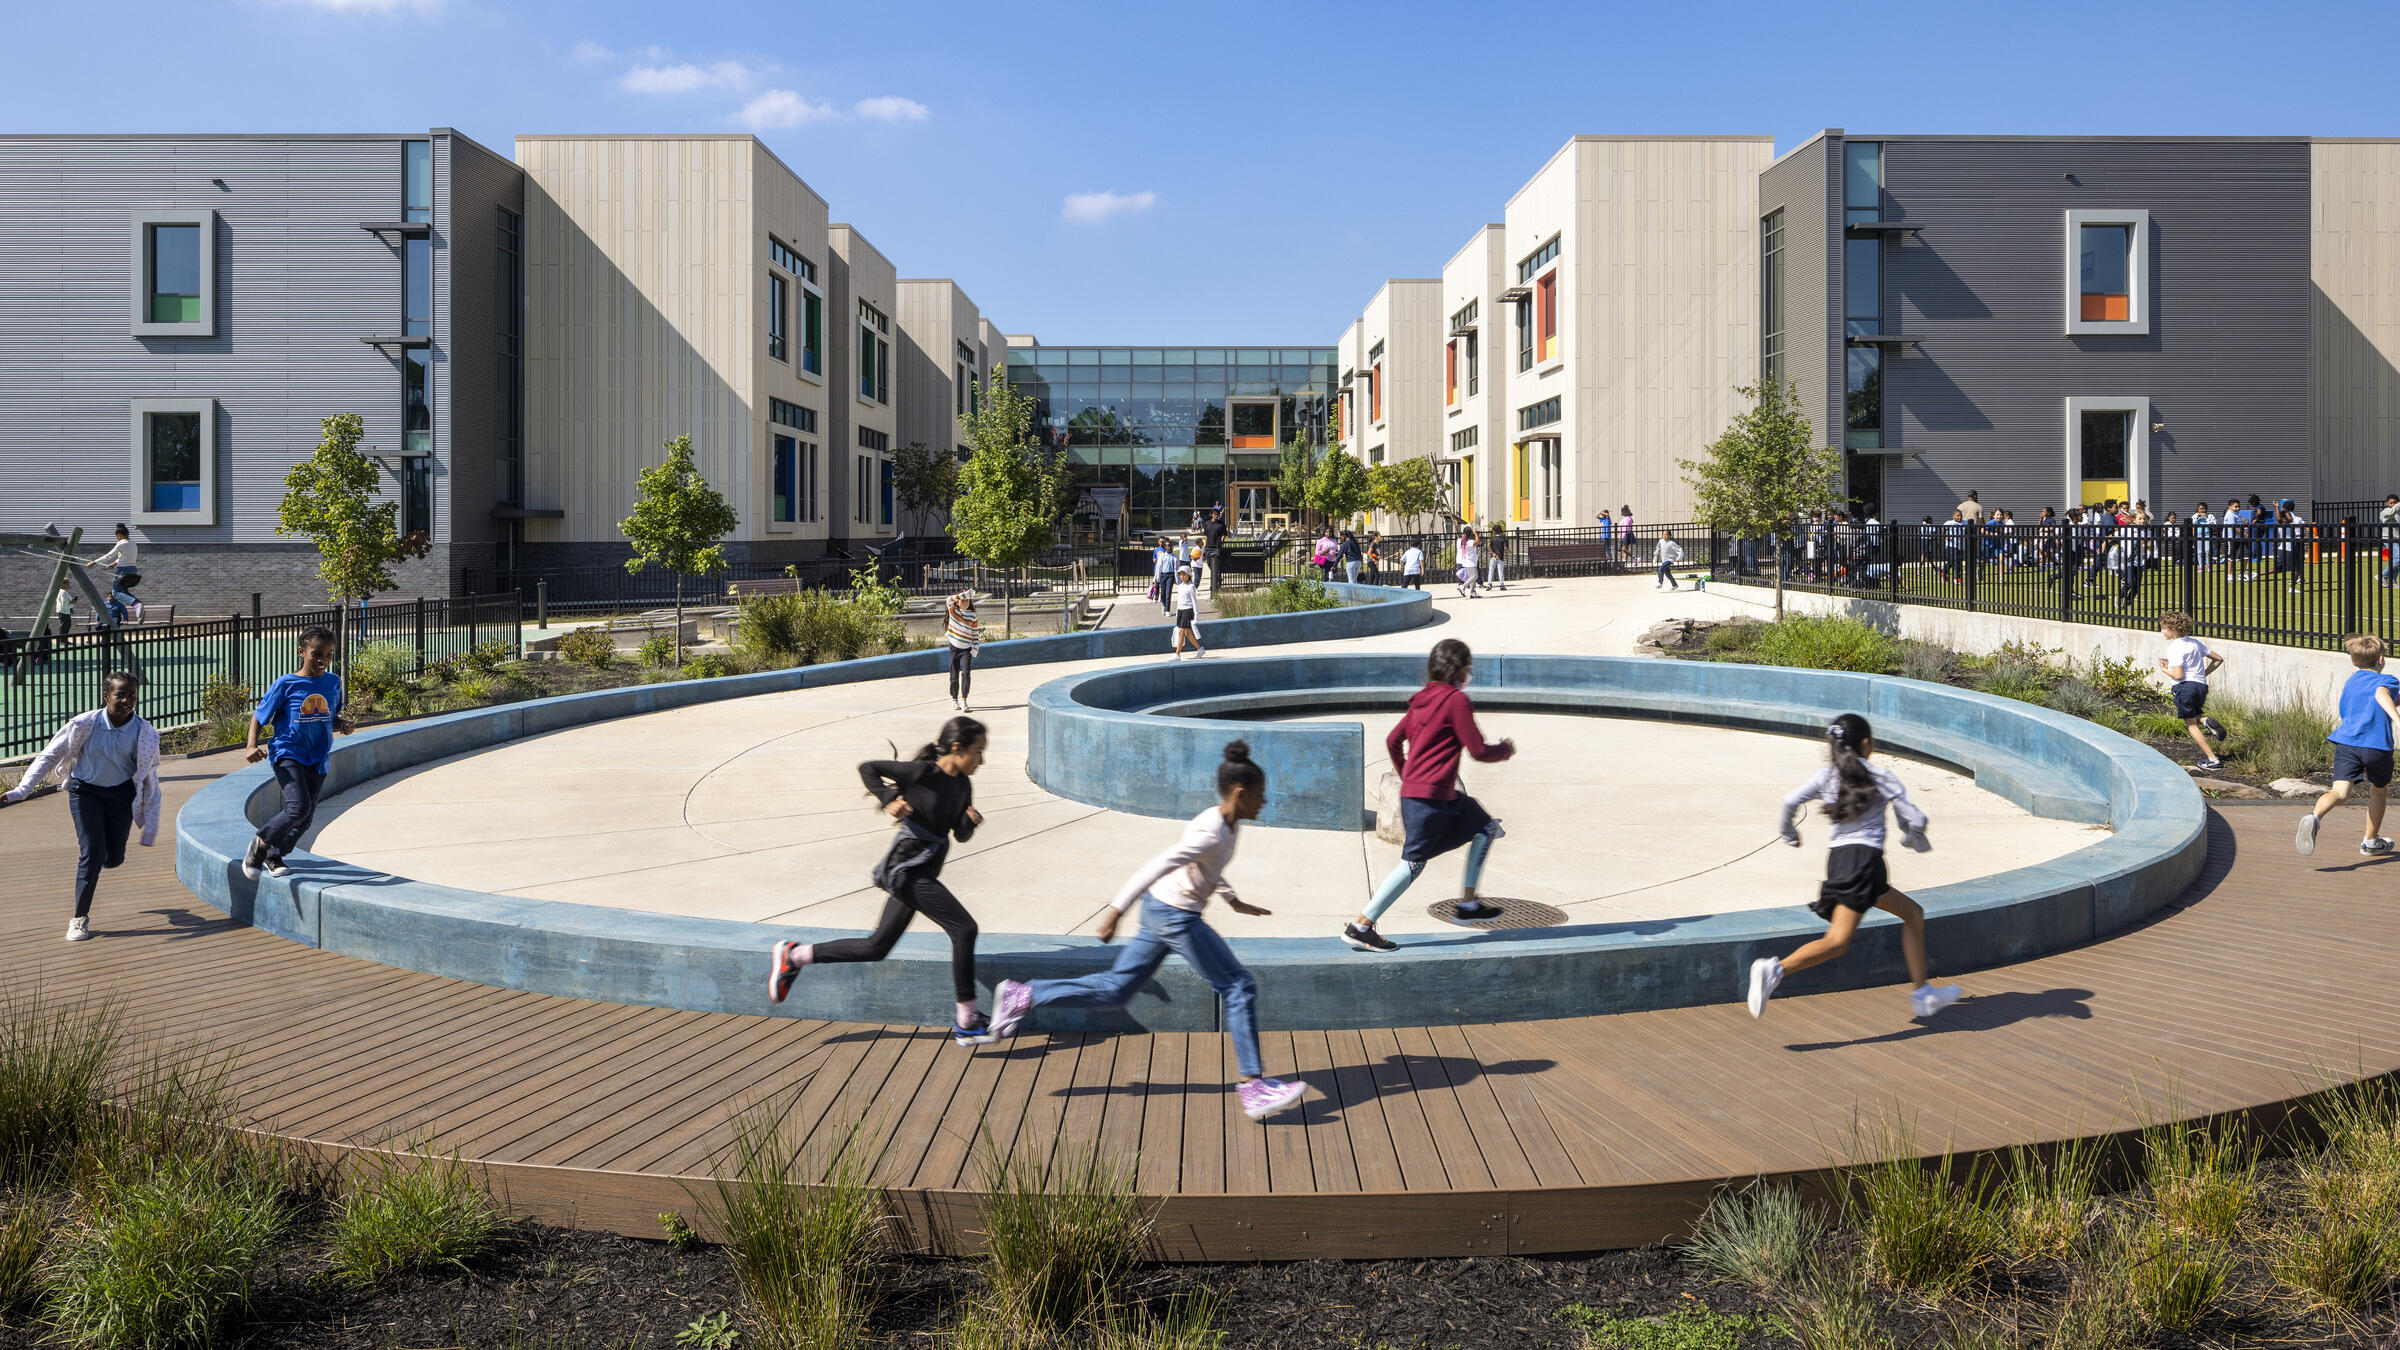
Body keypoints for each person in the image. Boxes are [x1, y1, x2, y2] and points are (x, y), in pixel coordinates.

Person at [987, 741, 1307, 1123]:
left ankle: (1024, 994)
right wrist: (1115, 911)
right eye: (1260, 795)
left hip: (1159, 910)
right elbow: (1156, 865)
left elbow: (1207, 869)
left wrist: (1233, 900)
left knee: (1116, 990)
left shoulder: (1225, 822)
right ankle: (1253, 1086)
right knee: (1238, 986)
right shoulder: (1211, 831)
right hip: (1175, 915)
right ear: (1240, 793)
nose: (1264, 802)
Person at [770, 717, 996, 1043]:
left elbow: (957, 834)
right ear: (957, 748)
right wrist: (888, 800)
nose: (982, 760)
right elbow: (868, 768)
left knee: (876, 947)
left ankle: (794, 956)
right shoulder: (922, 773)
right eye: (978, 751)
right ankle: (967, 1019)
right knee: (964, 929)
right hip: (908, 869)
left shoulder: (963, 785)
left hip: (924, 871)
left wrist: (969, 822)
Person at [1749, 714, 1961, 1021]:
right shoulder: (1881, 775)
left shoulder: (1827, 776)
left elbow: (1789, 801)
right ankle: (1775, 968)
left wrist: (1790, 833)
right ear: (1866, 743)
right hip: (1864, 862)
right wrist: (1912, 835)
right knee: (1837, 942)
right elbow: (1916, 819)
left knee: (1913, 914)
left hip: (1840, 861)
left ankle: (1923, 993)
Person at [1344, 638, 1516, 951]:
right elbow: (1478, 750)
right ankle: (1361, 925)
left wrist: (1407, 774)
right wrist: (1504, 749)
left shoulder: (1420, 699)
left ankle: (1467, 904)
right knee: (1412, 864)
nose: (1469, 674)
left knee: (1485, 827)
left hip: (1430, 797)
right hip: (1431, 802)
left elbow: (1394, 741)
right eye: (1468, 668)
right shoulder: (1455, 701)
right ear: (1459, 669)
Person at [1, 672, 161, 942]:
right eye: (120, 694)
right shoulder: (84, 724)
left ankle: (105, 860)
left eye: (132, 694)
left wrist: (150, 827)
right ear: (106, 696)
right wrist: (22, 790)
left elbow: (150, 778)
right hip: (85, 792)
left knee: (113, 858)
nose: (126, 700)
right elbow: (50, 754)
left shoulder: (144, 732)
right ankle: (79, 918)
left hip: (121, 796)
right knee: (92, 852)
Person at [241, 625, 357, 881]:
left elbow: (329, 717)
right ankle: (260, 843)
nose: (322, 660)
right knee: (298, 808)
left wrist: (343, 725)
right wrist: (251, 746)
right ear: (301, 652)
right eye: (316, 653)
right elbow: (259, 717)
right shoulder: (286, 683)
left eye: (328, 655)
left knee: (304, 819)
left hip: (318, 758)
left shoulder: (333, 682)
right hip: (288, 752)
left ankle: (274, 853)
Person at [2295, 634, 2400, 859]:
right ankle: (2370, 841)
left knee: (2339, 792)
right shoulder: (2388, 680)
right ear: (2380, 659)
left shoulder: (2352, 680)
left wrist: (2394, 701)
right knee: (2379, 790)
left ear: (2353, 661)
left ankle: (2314, 816)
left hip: (2346, 743)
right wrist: (2397, 718)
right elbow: (2381, 694)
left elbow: (2379, 698)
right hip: (2375, 746)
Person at [2156, 611, 2227, 771]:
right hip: (2201, 686)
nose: (2162, 632)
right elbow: (2218, 659)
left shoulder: (2175, 648)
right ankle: (2204, 720)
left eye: (2163, 628)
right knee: (2194, 715)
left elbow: (2178, 675)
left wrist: (2164, 669)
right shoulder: (2195, 643)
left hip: (2184, 687)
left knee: (2190, 724)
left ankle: (2213, 760)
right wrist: (2202, 674)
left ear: (2173, 629)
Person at [92, 524, 141, 625]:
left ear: (119, 535)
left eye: (116, 537)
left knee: (115, 592)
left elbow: (108, 556)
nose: (116, 539)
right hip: (132, 570)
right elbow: (124, 558)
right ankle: (137, 607)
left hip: (122, 571)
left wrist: (94, 562)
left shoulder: (121, 543)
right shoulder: (133, 543)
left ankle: (136, 604)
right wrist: (114, 563)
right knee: (123, 591)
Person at [943, 589, 982, 713]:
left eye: (967, 600)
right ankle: (954, 699)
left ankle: (964, 700)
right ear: (958, 602)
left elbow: (975, 633)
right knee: (953, 675)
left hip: (966, 649)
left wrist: (975, 646)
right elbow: (948, 600)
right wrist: (962, 594)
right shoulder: (953, 611)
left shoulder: (972, 615)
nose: (965, 603)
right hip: (954, 647)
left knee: (966, 673)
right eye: (963, 600)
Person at [1170, 565, 1206, 660]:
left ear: (1189, 575)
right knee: (1187, 633)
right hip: (1181, 611)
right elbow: (1179, 600)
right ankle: (1200, 649)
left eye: (1184, 575)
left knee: (1181, 632)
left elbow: (1194, 602)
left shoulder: (1191, 587)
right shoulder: (1180, 586)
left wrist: (1196, 615)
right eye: (1180, 575)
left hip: (1188, 611)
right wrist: (1178, 613)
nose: (1182, 577)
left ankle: (1177, 654)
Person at [1203, 506, 1229, 598]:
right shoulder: (1207, 523)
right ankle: (1217, 579)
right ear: (1211, 515)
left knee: (1216, 566)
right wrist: (1205, 545)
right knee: (1210, 564)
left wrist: (1221, 541)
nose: (1216, 516)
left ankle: (1214, 586)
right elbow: (1205, 535)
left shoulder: (1221, 524)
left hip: (1217, 547)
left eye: (1217, 514)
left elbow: (1224, 534)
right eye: (1215, 514)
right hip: (1209, 547)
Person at [1150, 536, 1178, 614]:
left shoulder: (1174, 556)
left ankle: (1168, 610)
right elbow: (1158, 568)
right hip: (1163, 575)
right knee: (1163, 593)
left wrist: (1178, 579)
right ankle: (1164, 605)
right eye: (1166, 546)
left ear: (1171, 547)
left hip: (1171, 575)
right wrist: (1155, 579)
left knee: (1168, 593)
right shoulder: (1162, 556)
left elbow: (1177, 568)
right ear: (1165, 547)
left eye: (1169, 546)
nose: (1168, 547)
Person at [2378, 494, 2400, 587]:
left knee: (2398, 561)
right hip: (2388, 538)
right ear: (2387, 503)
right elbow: (2391, 513)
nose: (2393, 504)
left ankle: (2392, 581)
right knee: (2398, 558)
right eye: (2391, 503)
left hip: (2397, 539)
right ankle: (2383, 575)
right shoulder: (2385, 512)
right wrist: (2398, 505)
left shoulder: (2398, 513)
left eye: (2395, 503)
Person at [1455, 528, 1481, 599]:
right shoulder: (1469, 542)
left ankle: (1472, 592)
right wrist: (1475, 533)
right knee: (1475, 576)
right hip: (1470, 562)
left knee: (1472, 578)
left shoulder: (1464, 541)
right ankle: (1462, 587)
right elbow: (1478, 541)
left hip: (1470, 561)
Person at [1485, 520, 1508, 591]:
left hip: (1493, 557)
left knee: (1491, 571)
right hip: (1500, 557)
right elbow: (1505, 548)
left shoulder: (1492, 539)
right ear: (1501, 531)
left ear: (1494, 532)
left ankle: (1489, 584)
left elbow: (1488, 545)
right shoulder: (1503, 539)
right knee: (1500, 571)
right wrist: (1505, 553)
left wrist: (1493, 553)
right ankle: (1501, 584)